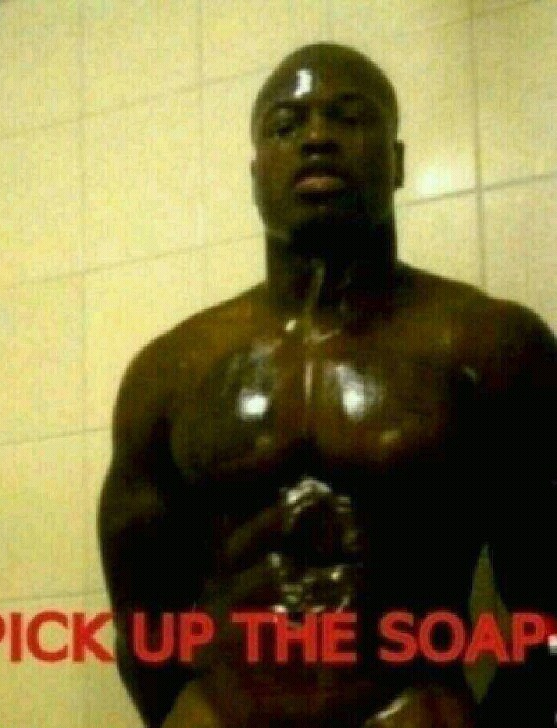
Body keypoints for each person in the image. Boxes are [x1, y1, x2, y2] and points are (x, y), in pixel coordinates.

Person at [98, 43, 556, 727]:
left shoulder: (489, 345)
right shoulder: (169, 373)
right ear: (256, 173)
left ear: (397, 162)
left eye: (349, 116)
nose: (316, 137)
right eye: (286, 125)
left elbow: (546, 605)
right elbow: (142, 620)